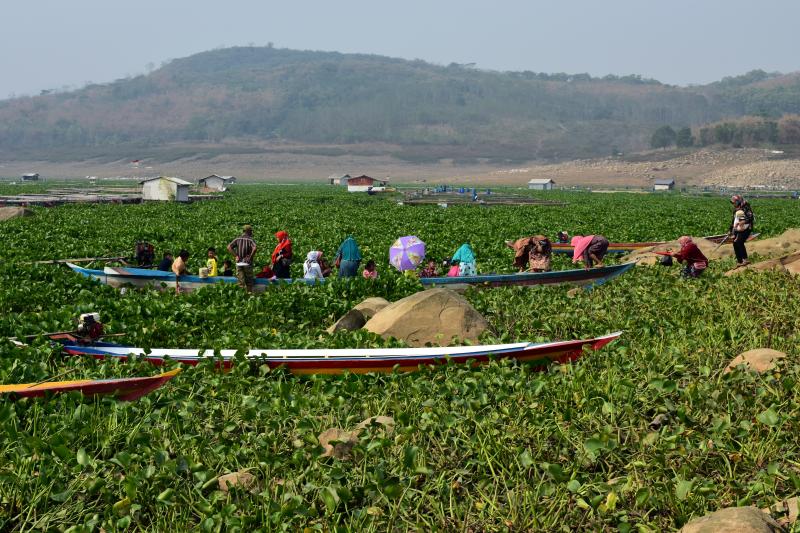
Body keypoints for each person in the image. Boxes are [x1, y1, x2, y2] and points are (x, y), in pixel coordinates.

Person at [227, 225, 257, 292]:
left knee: (241, 282)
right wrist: (250, 257)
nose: (251, 232)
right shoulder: (250, 239)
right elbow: (254, 248)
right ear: (248, 231)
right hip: (247, 263)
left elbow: (229, 247)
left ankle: (242, 296)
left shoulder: (237, 239)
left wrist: (236, 256)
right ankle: (249, 294)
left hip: (239, 263)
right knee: (249, 282)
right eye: (251, 231)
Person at [730, 195, 754, 267]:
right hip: (738, 228)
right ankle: (739, 261)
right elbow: (733, 221)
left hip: (746, 228)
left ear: (738, 202)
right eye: (733, 203)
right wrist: (730, 229)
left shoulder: (746, 207)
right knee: (735, 243)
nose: (733, 204)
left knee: (739, 242)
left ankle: (745, 260)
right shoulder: (736, 209)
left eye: (734, 202)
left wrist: (743, 222)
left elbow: (750, 218)